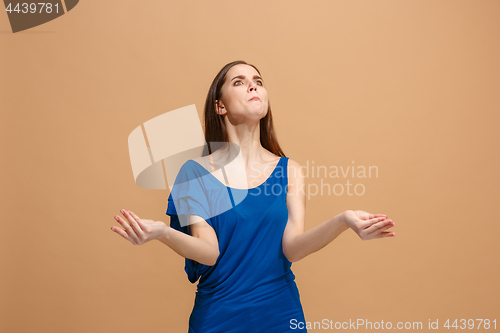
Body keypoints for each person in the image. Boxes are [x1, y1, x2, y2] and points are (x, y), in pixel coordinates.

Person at [111, 60, 396, 332]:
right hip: (218, 319)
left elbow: (292, 248)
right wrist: (162, 232)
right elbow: (209, 252)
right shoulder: (196, 172)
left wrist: (343, 220)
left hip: (280, 316)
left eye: (258, 81)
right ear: (219, 106)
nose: (253, 87)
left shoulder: (290, 171)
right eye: (239, 82)